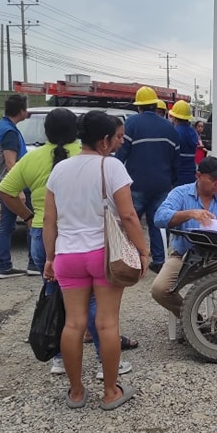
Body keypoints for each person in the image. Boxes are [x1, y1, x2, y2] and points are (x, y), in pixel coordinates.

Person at [44, 111, 150, 411]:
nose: (118, 143)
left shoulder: (59, 169)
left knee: (73, 324)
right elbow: (128, 215)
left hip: (67, 255)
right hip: (104, 255)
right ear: (104, 140)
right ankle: (110, 392)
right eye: (115, 138)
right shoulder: (111, 166)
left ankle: (77, 392)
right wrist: (142, 252)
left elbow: (49, 220)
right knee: (106, 323)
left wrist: (50, 258)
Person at [151, 156, 217, 318]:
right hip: (185, 256)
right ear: (198, 176)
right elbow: (159, 218)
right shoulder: (181, 193)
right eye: (213, 179)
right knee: (159, 290)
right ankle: (194, 320)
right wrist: (190, 214)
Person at [116, 86, 180, 274]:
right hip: (162, 184)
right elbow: (175, 158)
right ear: (155, 105)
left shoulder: (131, 124)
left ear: (139, 106)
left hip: (136, 183)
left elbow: (120, 155)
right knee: (158, 223)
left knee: (131, 222)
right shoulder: (169, 127)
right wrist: (172, 180)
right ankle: (159, 261)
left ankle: (132, 261)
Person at [0, 94, 36, 279]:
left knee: (6, 226)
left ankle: (5, 266)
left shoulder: (1, 126)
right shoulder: (9, 132)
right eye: (26, 108)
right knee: (32, 220)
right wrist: (18, 190)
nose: (27, 111)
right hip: (12, 185)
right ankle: (34, 263)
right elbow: (10, 163)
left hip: (1, 184)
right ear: (21, 111)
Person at [168, 100, 198, 186]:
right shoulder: (193, 132)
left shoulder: (175, 132)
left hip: (178, 174)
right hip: (191, 173)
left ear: (174, 117)